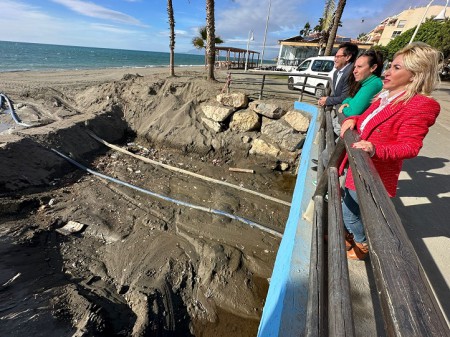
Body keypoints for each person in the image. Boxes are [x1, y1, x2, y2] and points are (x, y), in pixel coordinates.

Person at [339, 42, 441, 260]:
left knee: (350, 211)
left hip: (373, 170)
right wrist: (354, 119)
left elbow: (411, 146)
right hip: (357, 166)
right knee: (349, 205)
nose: (387, 72)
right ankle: (350, 235)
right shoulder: (386, 97)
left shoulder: (420, 104)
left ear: (415, 75)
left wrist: (375, 149)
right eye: (390, 66)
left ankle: (363, 244)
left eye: (396, 68)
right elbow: (369, 121)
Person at [338, 49, 384, 118]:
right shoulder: (366, 82)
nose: (354, 71)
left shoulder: (373, 84)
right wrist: (345, 103)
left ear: (373, 68)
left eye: (359, 67)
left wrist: (343, 108)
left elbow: (352, 112)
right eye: (355, 67)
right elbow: (350, 98)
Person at [318, 42, 359, 109]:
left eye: (338, 57)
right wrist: (327, 99)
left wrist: (327, 100)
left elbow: (345, 97)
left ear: (348, 57)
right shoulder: (336, 72)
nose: (335, 59)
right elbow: (337, 94)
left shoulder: (352, 73)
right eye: (335, 56)